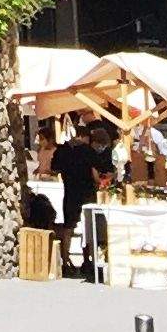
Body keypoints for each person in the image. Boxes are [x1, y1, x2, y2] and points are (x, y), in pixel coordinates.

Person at [50, 118, 111, 278]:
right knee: (88, 228)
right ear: (85, 137)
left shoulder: (62, 150)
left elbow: (54, 169)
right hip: (87, 192)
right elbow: (98, 172)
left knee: (68, 227)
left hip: (69, 192)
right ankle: (87, 261)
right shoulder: (87, 151)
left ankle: (65, 260)